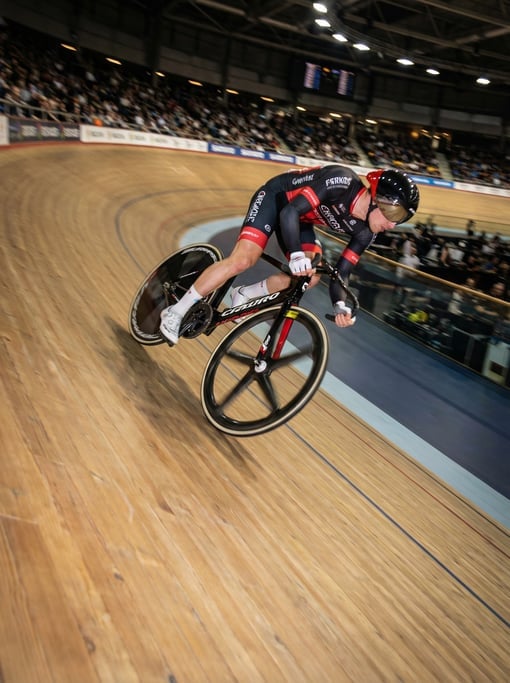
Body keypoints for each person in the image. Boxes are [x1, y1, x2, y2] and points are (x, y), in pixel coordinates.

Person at [159, 165, 420, 344]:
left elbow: (343, 272)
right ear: (378, 199)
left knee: (311, 277)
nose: (393, 225)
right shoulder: (341, 182)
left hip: (300, 221)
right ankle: (175, 312)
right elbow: (289, 213)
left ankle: (245, 294)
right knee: (243, 260)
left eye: (402, 219)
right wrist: (296, 255)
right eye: (395, 215)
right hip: (277, 199)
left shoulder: (366, 233)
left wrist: (340, 305)